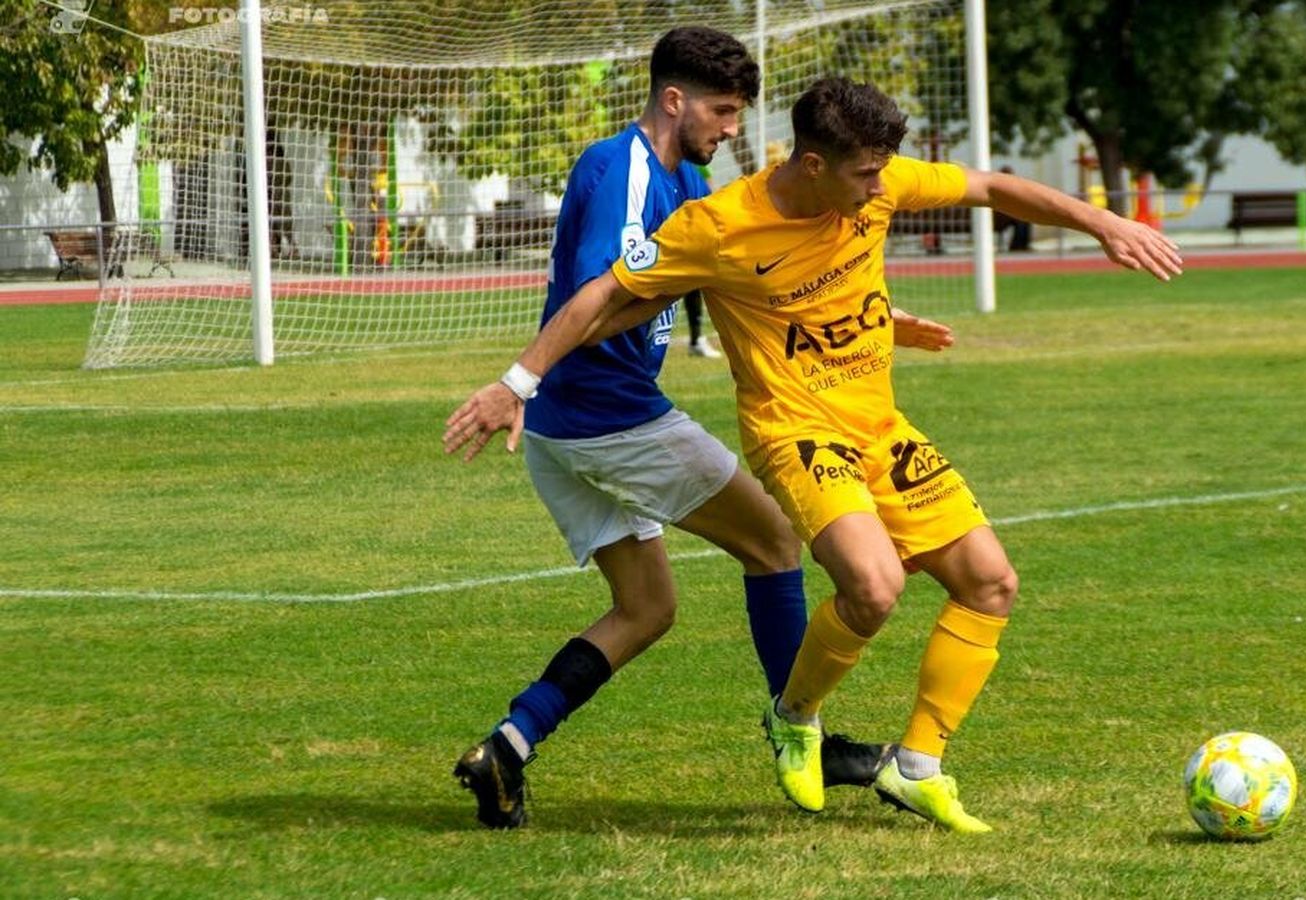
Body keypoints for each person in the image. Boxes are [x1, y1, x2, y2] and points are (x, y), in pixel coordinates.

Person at [443, 76, 1182, 833]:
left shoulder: (874, 185)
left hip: (879, 429)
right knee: (863, 580)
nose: (880, 187)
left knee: (990, 582)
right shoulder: (717, 223)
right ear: (815, 164)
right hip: (787, 431)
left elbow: (989, 186)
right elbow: (606, 295)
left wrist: (1102, 222)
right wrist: (522, 379)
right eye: (865, 173)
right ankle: (797, 721)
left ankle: (917, 765)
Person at [442, 33, 953, 831]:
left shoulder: (691, 179)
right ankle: (805, 738)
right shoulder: (622, 171)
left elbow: (741, 279)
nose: (730, 128)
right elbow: (601, 295)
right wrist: (517, 381)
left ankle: (506, 747)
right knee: (775, 540)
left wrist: (869, 319)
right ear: (673, 100)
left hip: (563, 429)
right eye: (720, 110)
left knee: (646, 608)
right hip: (606, 415)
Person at [992, 165, 1033, 251]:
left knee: (1023, 219)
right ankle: (1018, 245)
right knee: (1022, 220)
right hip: (996, 220)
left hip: (1000, 218)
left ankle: (1019, 245)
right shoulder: (998, 187)